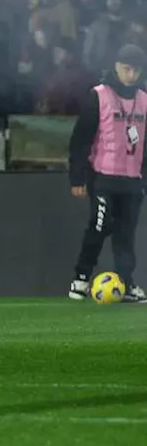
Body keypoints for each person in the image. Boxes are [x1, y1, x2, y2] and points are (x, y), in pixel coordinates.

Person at [66, 43, 147, 302]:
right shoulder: (98, 95)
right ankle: (81, 277)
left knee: (126, 233)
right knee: (99, 225)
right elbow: (80, 140)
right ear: (116, 67)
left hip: (133, 180)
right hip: (103, 177)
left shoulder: (144, 100)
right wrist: (77, 177)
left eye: (136, 70)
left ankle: (126, 283)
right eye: (126, 69)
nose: (131, 75)